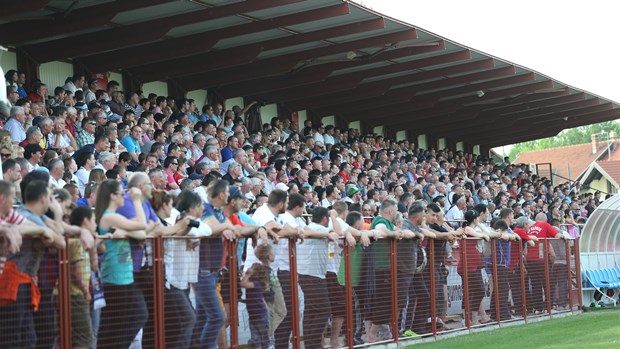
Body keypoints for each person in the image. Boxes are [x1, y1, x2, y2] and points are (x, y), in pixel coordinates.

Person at [95, 180, 148, 348]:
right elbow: (142, 224)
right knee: (116, 325)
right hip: (115, 277)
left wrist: (125, 231)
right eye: (121, 193)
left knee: (134, 317)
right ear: (112, 196)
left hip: (124, 276)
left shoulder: (116, 217)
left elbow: (141, 233)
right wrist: (137, 200)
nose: (125, 196)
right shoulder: (110, 216)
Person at [53, 206, 96, 349]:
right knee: (84, 339)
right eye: (94, 221)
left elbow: (95, 265)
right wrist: (85, 291)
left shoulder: (82, 241)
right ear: (86, 221)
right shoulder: (74, 242)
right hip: (74, 294)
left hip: (71, 294)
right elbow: (75, 270)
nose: (95, 224)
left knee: (68, 337)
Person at [240, 262, 271, 349]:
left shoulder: (255, 283)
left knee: (263, 338)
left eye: (251, 268)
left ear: (256, 272)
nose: (249, 268)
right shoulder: (254, 283)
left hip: (260, 315)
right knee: (255, 338)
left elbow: (242, 284)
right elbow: (259, 298)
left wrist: (247, 275)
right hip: (254, 315)